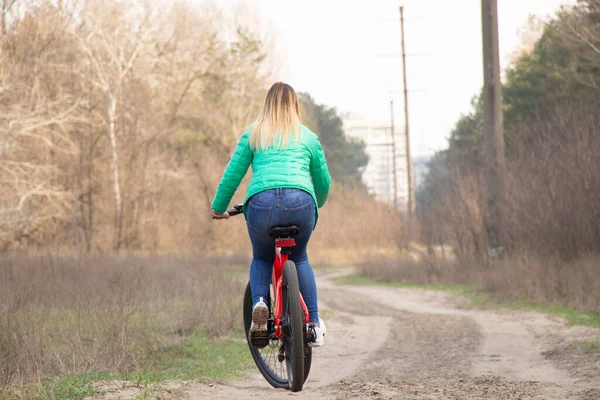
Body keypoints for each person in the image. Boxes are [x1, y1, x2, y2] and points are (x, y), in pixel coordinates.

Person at [211, 82, 331, 348]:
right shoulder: (307, 136)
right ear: (294, 105)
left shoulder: (254, 134)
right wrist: (317, 203)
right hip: (301, 203)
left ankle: (261, 306)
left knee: (262, 257)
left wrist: (219, 207)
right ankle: (313, 324)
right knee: (299, 257)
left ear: (268, 104)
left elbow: (232, 175)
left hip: (261, 204)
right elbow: (323, 181)